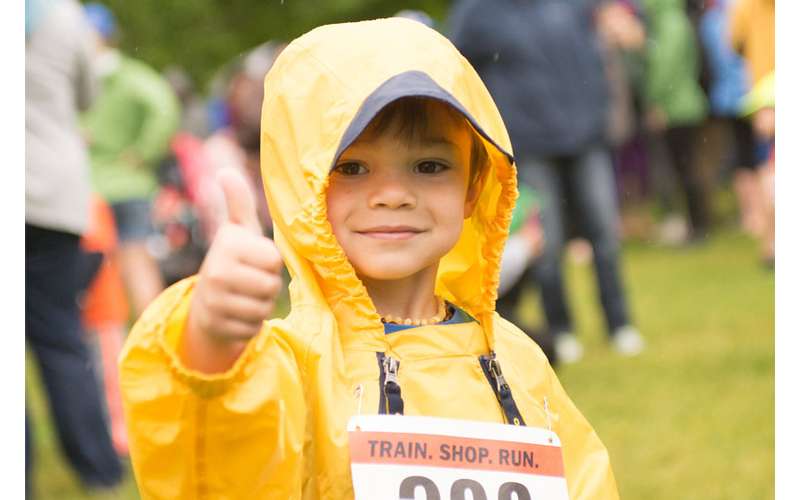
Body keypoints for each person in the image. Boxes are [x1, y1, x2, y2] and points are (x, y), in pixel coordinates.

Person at [119, 18, 619, 499]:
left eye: (429, 165)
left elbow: (583, 481)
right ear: (302, 188)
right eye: (353, 168)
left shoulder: (516, 357)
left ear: (473, 186)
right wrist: (209, 344)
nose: (393, 194)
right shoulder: (292, 366)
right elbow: (216, 471)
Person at [448, 0, 645, 363]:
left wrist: (626, 23)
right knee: (546, 243)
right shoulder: (477, 10)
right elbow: (453, 65)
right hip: (528, 143)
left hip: (587, 136)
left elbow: (623, 19)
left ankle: (620, 325)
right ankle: (561, 330)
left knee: (604, 233)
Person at [25, 0, 123, 493]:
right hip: (53, 196)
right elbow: (88, 93)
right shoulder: (64, 15)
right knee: (61, 339)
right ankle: (98, 469)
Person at [82, 2, 180, 317]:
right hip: (129, 184)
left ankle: (105, 349)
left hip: (93, 187)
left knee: (93, 273)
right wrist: (143, 152)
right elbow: (165, 108)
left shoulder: (82, 76)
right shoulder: (132, 74)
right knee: (137, 260)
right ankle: (154, 336)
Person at [640, 0, 711, 244]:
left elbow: (664, 68)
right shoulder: (673, 20)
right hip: (683, 103)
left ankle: (699, 226)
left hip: (678, 108)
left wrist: (655, 101)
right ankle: (698, 223)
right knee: (686, 169)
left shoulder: (671, 23)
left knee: (685, 170)